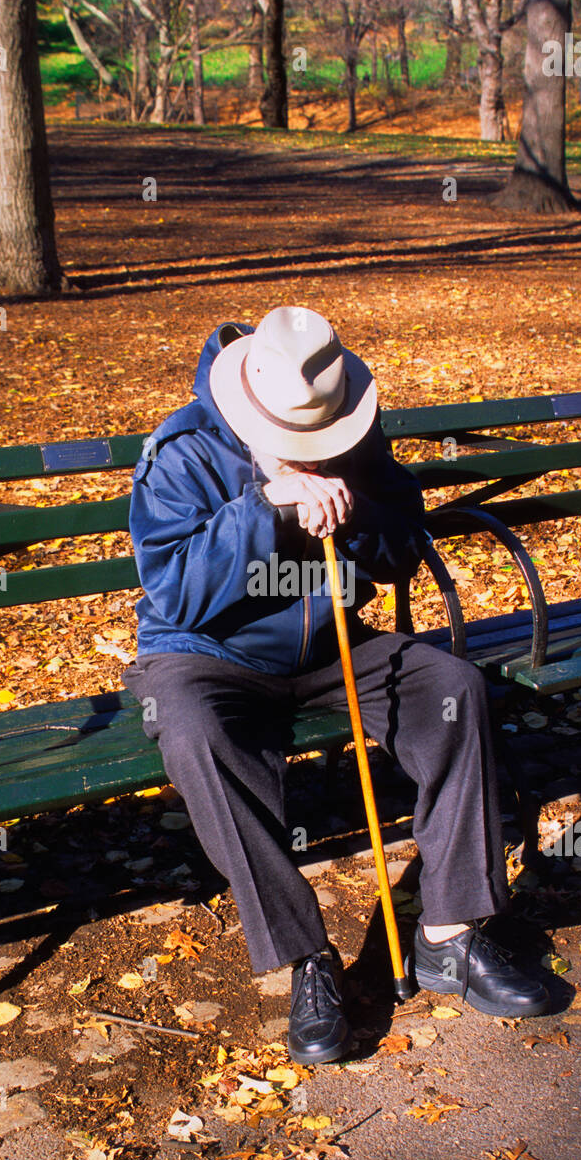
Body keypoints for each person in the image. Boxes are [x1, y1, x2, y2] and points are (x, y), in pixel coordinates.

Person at [123, 306, 550, 1065]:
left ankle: (449, 932)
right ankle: (304, 958)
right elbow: (176, 592)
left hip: (331, 646)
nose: (310, 449)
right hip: (204, 655)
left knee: (453, 690)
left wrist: (351, 520)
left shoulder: (350, 429)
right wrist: (263, 510)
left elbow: (398, 550)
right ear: (247, 407)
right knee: (195, 735)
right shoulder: (179, 452)